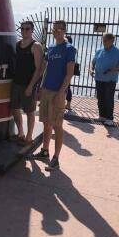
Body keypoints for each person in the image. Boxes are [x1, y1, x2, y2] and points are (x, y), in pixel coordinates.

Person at [32, 20, 76, 171]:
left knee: (57, 125)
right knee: (46, 122)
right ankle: (45, 151)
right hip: (46, 90)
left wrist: (61, 92)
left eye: (60, 29)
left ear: (64, 31)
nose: (57, 31)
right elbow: (45, 69)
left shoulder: (69, 49)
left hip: (58, 92)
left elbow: (69, 74)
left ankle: (56, 158)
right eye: (54, 29)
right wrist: (39, 88)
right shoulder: (50, 47)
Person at [11, 21, 43, 146]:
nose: (24, 31)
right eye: (22, 29)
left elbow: (39, 69)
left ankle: (29, 136)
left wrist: (31, 86)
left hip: (28, 84)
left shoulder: (36, 46)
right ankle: (20, 133)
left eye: (27, 29)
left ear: (32, 30)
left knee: (30, 111)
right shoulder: (18, 44)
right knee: (15, 109)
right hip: (16, 83)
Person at [90, 33, 119, 126]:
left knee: (108, 98)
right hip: (98, 78)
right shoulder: (99, 51)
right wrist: (91, 70)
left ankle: (109, 118)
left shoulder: (118, 52)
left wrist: (114, 69)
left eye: (105, 40)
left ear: (112, 41)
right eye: (103, 40)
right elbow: (93, 63)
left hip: (110, 80)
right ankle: (102, 116)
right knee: (100, 98)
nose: (104, 42)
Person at [65, 35, 74, 111]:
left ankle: (68, 104)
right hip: (61, 72)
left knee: (67, 87)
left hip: (67, 71)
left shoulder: (71, 49)